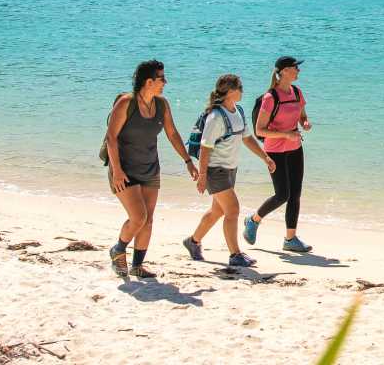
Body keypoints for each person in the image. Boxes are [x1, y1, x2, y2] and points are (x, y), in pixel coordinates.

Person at [103, 59, 197, 277]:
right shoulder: (127, 103)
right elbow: (111, 138)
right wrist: (116, 170)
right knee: (139, 217)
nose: (166, 81)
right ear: (148, 81)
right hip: (124, 169)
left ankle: (137, 265)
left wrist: (188, 161)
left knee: (149, 219)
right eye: (161, 78)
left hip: (150, 168)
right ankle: (118, 249)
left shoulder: (161, 104)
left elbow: (172, 134)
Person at [180, 74, 276, 267]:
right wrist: (202, 176)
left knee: (217, 211)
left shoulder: (238, 111)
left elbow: (247, 138)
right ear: (231, 91)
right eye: (240, 88)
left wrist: (265, 157)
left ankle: (193, 241)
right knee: (233, 209)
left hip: (231, 169)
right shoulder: (215, 117)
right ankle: (235, 254)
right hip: (215, 171)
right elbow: (205, 148)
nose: (242, 91)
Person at [244, 56, 313, 252]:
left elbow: (302, 115)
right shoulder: (270, 98)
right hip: (275, 151)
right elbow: (260, 130)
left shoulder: (297, 93)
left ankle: (290, 239)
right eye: (295, 68)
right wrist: (285, 134)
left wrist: (305, 123)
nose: (298, 71)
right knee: (282, 194)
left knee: (295, 195)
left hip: (295, 149)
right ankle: (253, 220)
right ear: (283, 71)